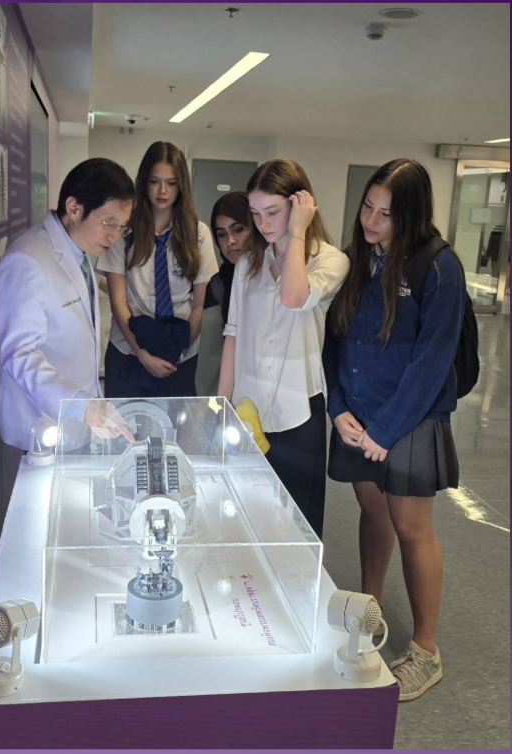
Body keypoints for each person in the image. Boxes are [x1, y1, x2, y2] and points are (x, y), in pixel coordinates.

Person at [323, 158, 466, 702]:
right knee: (373, 509)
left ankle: (426, 650)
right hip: (357, 414)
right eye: (368, 207)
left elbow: (432, 362)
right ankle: (369, 607)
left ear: (411, 214)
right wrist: (338, 407)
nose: (371, 221)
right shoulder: (358, 258)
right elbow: (334, 340)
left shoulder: (439, 267)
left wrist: (385, 430)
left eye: (386, 214)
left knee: (411, 527)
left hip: (408, 417)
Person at [218, 159, 349, 539]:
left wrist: (297, 234)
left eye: (272, 212)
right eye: (256, 213)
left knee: (298, 523)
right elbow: (233, 334)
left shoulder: (330, 260)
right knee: (245, 514)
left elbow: (294, 297)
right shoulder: (248, 263)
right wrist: (220, 405)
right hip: (248, 407)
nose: (262, 223)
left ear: (299, 205)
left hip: (298, 408)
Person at [0, 158, 135, 451]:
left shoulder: (80, 251)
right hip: (42, 425)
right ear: (74, 208)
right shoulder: (27, 260)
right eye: (109, 223)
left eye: (121, 227)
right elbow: (19, 355)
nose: (114, 236)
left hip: (78, 422)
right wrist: (80, 405)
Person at [98, 141, 218, 399]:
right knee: (124, 422)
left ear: (181, 186)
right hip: (129, 350)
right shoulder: (123, 230)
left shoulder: (198, 233)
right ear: (144, 182)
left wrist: (179, 352)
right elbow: (118, 303)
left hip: (181, 353)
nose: (162, 191)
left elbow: (200, 304)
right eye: (155, 182)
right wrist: (143, 355)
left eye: (171, 183)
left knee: (177, 423)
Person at [197, 191, 252, 395]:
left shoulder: (277, 278)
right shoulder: (218, 285)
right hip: (230, 394)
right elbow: (209, 358)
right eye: (221, 234)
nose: (230, 241)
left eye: (238, 230)